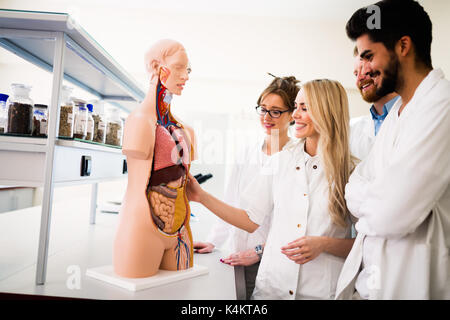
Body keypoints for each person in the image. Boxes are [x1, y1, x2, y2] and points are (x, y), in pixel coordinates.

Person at [187, 79, 356, 300]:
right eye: (296, 107)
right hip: (272, 291)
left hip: (321, 293)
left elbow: (367, 243)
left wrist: (324, 244)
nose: (296, 115)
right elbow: (249, 219)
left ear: (327, 112)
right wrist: (201, 196)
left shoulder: (352, 171)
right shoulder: (279, 161)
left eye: (304, 108)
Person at [336, 0, 450, 299]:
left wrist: (373, 200)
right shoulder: (399, 112)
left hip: (411, 283)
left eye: (369, 55)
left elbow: (393, 214)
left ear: (403, 46)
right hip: (372, 283)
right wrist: (376, 196)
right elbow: (354, 186)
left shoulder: (443, 106)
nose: (365, 68)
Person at [193, 75, 301, 299]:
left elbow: (296, 222)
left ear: (292, 115)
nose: (267, 117)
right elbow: (231, 201)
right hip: (237, 255)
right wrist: (214, 240)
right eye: (263, 109)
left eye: (276, 111)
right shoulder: (247, 153)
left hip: (274, 262)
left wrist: (260, 251)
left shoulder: (297, 158)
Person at [113, 39, 197, 278]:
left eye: (188, 69)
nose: (186, 76)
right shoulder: (140, 121)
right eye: (179, 67)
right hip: (142, 228)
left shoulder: (185, 130)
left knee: (181, 293)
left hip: (180, 228)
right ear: (156, 66)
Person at [350, 46, 399, 160]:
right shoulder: (352, 129)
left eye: (364, 70)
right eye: (356, 74)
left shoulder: (415, 114)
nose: (359, 79)